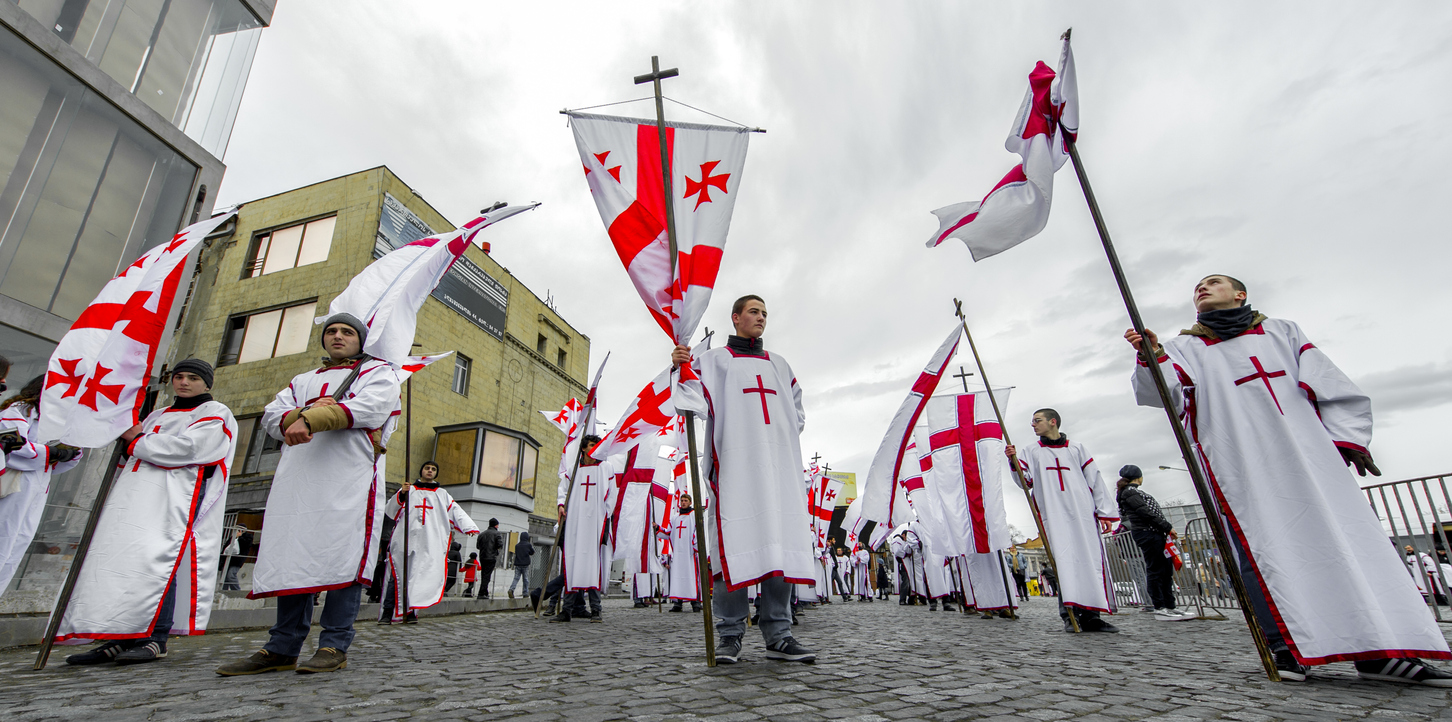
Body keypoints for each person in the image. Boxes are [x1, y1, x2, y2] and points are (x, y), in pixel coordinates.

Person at [1127, 273, 1452, 684]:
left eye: (1213, 283)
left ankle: (1380, 651)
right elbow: (1164, 396)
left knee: (1349, 546)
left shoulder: (1282, 331)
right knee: (1265, 553)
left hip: (1309, 460)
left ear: (1240, 294)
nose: (1202, 289)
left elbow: (1331, 385)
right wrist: (1151, 354)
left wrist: (1347, 438)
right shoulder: (1185, 347)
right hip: (1241, 464)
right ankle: (1285, 648)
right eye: (1198, 287)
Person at [217, 314, 400, 676]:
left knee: (341, 559)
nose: (337, 336)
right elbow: (272, 416)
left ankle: (334, 644)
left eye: (347, 332)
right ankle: (282, 647)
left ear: (360, 341)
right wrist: (302, 413)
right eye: (331, 331)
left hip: (346, 479)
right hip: (299, 481)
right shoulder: (303, 380)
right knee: (293, 556)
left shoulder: (377, 373)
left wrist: (315, 418)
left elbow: (372, 408)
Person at [671, 295, 817, 664]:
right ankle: (730, 635)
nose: (761, 318)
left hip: (778, 468)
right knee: (730, 548)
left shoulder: (781, 366)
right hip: (735, 468)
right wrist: (680, 368)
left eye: (765, 313)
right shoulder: (715, 361)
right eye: (754, 311)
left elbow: (796, 415)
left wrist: (772, 433)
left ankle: (779, 635)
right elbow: (690, 400)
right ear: (735, 318)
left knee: (778, 546)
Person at [59, 360, 234, 665]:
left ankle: (155, 637)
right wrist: (128, 441)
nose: (183, 382)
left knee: (158, 561)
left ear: (207, 384)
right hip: (133, 495)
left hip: (174, 496)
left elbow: (191, 449)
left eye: (193, 378)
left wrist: (137, 440)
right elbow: (136, 448)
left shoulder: (215, 413)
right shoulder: (157, 414)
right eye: (179, 376)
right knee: (123, 561)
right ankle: (119, 636)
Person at [1005, 409, 1119, 633]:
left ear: (1053, 421)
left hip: (1082, 514)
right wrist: (1013, 461)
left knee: (1088, 560)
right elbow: (1025, 481)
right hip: (1054, 516)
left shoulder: (1077, 448)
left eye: (1037, 421)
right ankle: (1069, 615)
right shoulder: (1031, 451)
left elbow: (1094, 478)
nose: (1033, 425)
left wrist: (1104, 512)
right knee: (1064, 563)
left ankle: (1092, 615)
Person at [0, 375, 83, 595]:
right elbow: (13, 446)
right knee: (4, 539)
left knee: (18, 545)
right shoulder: (18, 411)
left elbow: (56, 464)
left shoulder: (57, 419)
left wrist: (69, 454)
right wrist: (50, 453)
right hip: (14, 482)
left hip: (37, 485)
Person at [381, 461, 479, 622]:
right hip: (406, 539)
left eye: (433, 469)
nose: (430, 471)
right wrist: (401, 495)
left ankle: (411, 613)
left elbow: (455, 510)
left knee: (417, 578)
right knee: (398, 575)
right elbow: (391, 511)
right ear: (421, 471)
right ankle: (387, 613)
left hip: (427, 542)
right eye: (427, 468)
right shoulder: (409, 489)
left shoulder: (441, 494)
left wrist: (469, 526)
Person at [1115, 465, 1192, 622]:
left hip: (1155, 532)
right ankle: (1160, 606)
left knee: (1165, 570)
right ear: (1139, 477)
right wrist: (1167, 526)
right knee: (1156, 570)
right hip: (1147, 533)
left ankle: (1170, 605)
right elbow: (1145, 512)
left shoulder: (1132, 492)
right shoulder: (1130, 493)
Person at [552, 435, 614, 623]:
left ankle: (596, 610)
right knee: (573, 563)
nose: (596, 449)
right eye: (593, 445)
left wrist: (603, 513)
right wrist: (561, 505)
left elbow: (612, 494)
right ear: (584, 448)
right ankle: (566, 610)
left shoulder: (606, 468)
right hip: (575, 524)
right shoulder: (573, 470)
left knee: (592, 564)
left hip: (595, 522)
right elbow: (563, 490)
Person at [666, 492, 703, 613]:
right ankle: (678, 603)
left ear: (690, 502)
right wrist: (657, 528)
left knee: (692, 576)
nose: (683, 503)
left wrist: (696, 546)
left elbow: (699, 531)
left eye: (685, 501)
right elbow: (668, 532)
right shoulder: (675, 517)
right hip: (678, 554)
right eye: (682, 500)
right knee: (677, 577)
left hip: (690, 553)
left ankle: (695, 603)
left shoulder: (694, 515)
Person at [475, 518, 504, 599]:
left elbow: (477, 546)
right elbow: (500, 544)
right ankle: (481, 593)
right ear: (496, 525)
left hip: (482, 556)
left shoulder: (482, 534)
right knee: (487, 575)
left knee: (484, 574)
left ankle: (485, 592)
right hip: (491, 557)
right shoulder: (497, 533)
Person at [507, 531, 533, 599]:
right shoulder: (528, 545)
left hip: (518, 564)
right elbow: (532, 552)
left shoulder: (517, 546)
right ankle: (525, 593)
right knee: (525, 579)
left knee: (516, 578)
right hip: (525, 564)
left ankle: (511, 589)